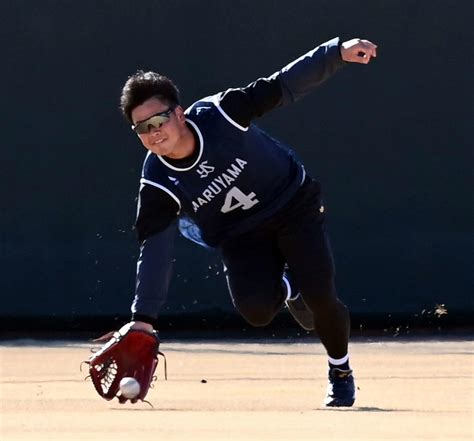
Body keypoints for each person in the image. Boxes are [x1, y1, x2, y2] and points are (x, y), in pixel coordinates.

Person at [119, 36, 377, 407]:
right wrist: (142, 318)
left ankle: (340, 371)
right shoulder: (158, 182)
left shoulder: (220, 114)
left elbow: (284, 84)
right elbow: (155, 250)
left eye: (158, 120)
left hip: (292, 203)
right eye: (141, 128)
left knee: (322, 297)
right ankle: (290, 288)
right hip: (239, 234)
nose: (153, 132)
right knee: (256, 313)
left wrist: (334, 52)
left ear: (179, 113)